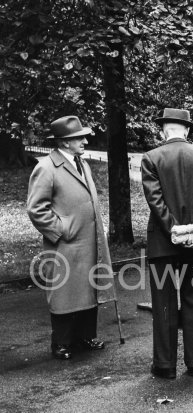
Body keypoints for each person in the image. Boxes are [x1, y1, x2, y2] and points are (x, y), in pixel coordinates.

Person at [141, 108, 193, 379]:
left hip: (163, 244)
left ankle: (165, 366)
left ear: (164, 130)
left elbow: (155, 201)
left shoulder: (151, 158)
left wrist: (174, 229)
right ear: (186, 130)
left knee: (163, 304)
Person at [27, 115, 111, 360]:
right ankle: (62, 343)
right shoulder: (45, 167)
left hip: (89, 240)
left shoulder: (81, 163)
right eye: (78, 138)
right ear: (64, 142)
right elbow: (36, 208)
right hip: (65, 243)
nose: (84, 141)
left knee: (89, 288)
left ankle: (85, 336)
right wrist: (61, 230)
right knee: (64, 291)